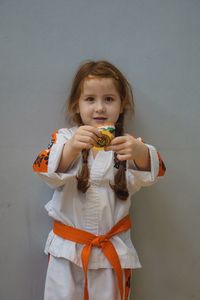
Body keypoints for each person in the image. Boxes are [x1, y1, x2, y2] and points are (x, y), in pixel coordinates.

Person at [32, 60, 166, 300]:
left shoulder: (127, 143)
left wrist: (140, 152)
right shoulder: (64, 138)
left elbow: (155, 171)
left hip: (111, 251)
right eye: (90, 99)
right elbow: (44, 169)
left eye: (109, 99)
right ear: (76, 105)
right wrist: (72, 148)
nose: (100, 108)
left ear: (122, 104)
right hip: (67, 252)